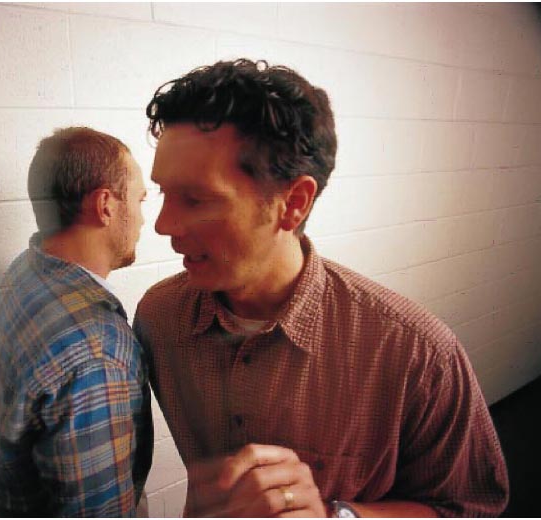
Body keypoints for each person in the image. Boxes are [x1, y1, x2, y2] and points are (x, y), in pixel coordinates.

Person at [134, 59, 508, 517]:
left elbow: (470, 507)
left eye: (195, 199)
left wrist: (336, 515)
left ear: (293, 203)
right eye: (163, 193)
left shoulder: (417, 352)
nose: (162, 224)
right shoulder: (160, 318)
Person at [0, 127, 153, 517]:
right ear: (106, 205)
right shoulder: (97, 351)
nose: (146, 221)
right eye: (140, 200)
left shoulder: (27, 270)